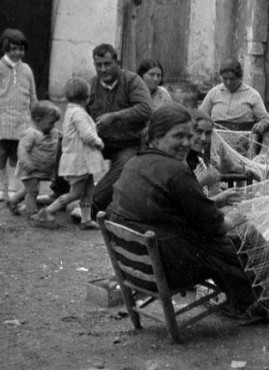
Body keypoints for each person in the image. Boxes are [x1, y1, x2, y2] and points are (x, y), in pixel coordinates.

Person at [107, 104, 257, 314]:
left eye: (189, 136)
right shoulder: (176, 170)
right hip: (166, 270)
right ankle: (250, 304)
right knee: (228, 243)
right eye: (178, 136)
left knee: (219, 244)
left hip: (136, 269)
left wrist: (216, 202)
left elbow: (175, 209)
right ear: (157, 137)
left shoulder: (134, 163)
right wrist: (240, 215)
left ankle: (244, 299)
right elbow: (217, 226)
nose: (186, 143)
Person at [87, 44, 153, 216]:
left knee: (124, 165)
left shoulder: (132, 80)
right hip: (99, 141)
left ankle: (91, 205)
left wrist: (115, 116)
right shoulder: (92, 85)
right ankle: (60, 192)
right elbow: (80, 111)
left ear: (117, 62)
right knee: (63, 142)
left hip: (128, 142)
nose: (103, 69)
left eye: (107, 64)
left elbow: (146, 109)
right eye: (98, 65)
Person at [33, 78, 105, 230]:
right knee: (76, 193)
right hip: (78, 160)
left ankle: (85, 219)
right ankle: (47, 211)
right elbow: (86, 135)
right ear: (86, 97)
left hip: (83, 161)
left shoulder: (72, 111)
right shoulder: (78, 113)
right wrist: (98, 141)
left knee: (88, 190)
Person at [199, 59, 269, 153]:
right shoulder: (214, 93)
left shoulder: (252, 95)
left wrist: (261, 125)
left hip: (242, 145)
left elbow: (266, 120)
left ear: (240, 77)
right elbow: (200, 115)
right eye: (225, 78)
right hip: (216, 143)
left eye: (232, 79)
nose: (228, 82)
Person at [187, 109, 254, 206]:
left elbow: (204, 200)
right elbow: (184, 203)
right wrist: (201, 182)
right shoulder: (178, 162)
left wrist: (224, 198)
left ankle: (234, 167)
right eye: (198, 132)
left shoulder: (200, 161)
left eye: (208, 133)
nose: (203, 138)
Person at [0, 29, 37, 204]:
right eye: (13, 49)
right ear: (6, 48)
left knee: (17, 154)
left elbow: (32, 95)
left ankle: (14, 187)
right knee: (1, 154)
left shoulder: (27, 69)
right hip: (3, 119)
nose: (17, 53)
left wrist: (35, 115)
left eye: (21, 49)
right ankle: (2, 188)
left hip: (22, 121)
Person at [8, 101, 60, 216]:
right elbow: (22, 150)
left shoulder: (50, 131)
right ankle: (32, 212)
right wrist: (27, 164)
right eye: (51, 123)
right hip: (29, 169)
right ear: (37, 120)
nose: (53, 126)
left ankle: (13, 200)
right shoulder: (30, 134)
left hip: (40, 169)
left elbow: (59, 137)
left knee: (28, 190)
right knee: (33, 191)